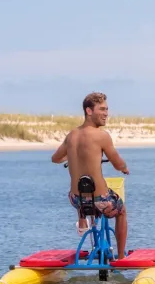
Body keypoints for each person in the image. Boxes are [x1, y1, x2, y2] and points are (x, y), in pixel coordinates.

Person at [50, 92, 130, 258]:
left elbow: (55, 158)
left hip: (76, 199)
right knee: (121, 210)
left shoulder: (71, 136)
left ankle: (82, 220)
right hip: (100, 201)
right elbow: (118, 163)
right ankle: (121, 257)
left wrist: (72, 157)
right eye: (102, 109)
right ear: (89, 111)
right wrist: (124, 168)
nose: (106, 113)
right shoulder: (102, 136)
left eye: (106, 109)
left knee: (80, 191)